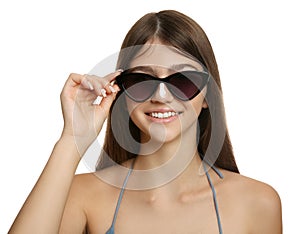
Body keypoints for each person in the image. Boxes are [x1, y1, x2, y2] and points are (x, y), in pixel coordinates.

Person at [9, 10, 282, 234]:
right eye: (142, 81)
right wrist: (72, 139)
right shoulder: (83, 196)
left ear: (208, 95)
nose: (161, 96)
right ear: (122, 91)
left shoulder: (257, 202)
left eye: (183, 81)